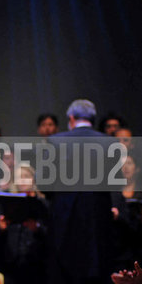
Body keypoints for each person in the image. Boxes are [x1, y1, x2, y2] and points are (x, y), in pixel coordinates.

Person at [46, 99, 116, 284]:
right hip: (98, 218)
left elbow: (44, 183)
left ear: (71, 118)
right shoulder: (109, 143)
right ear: (93, 118)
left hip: (63, 218)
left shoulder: (55, 141)